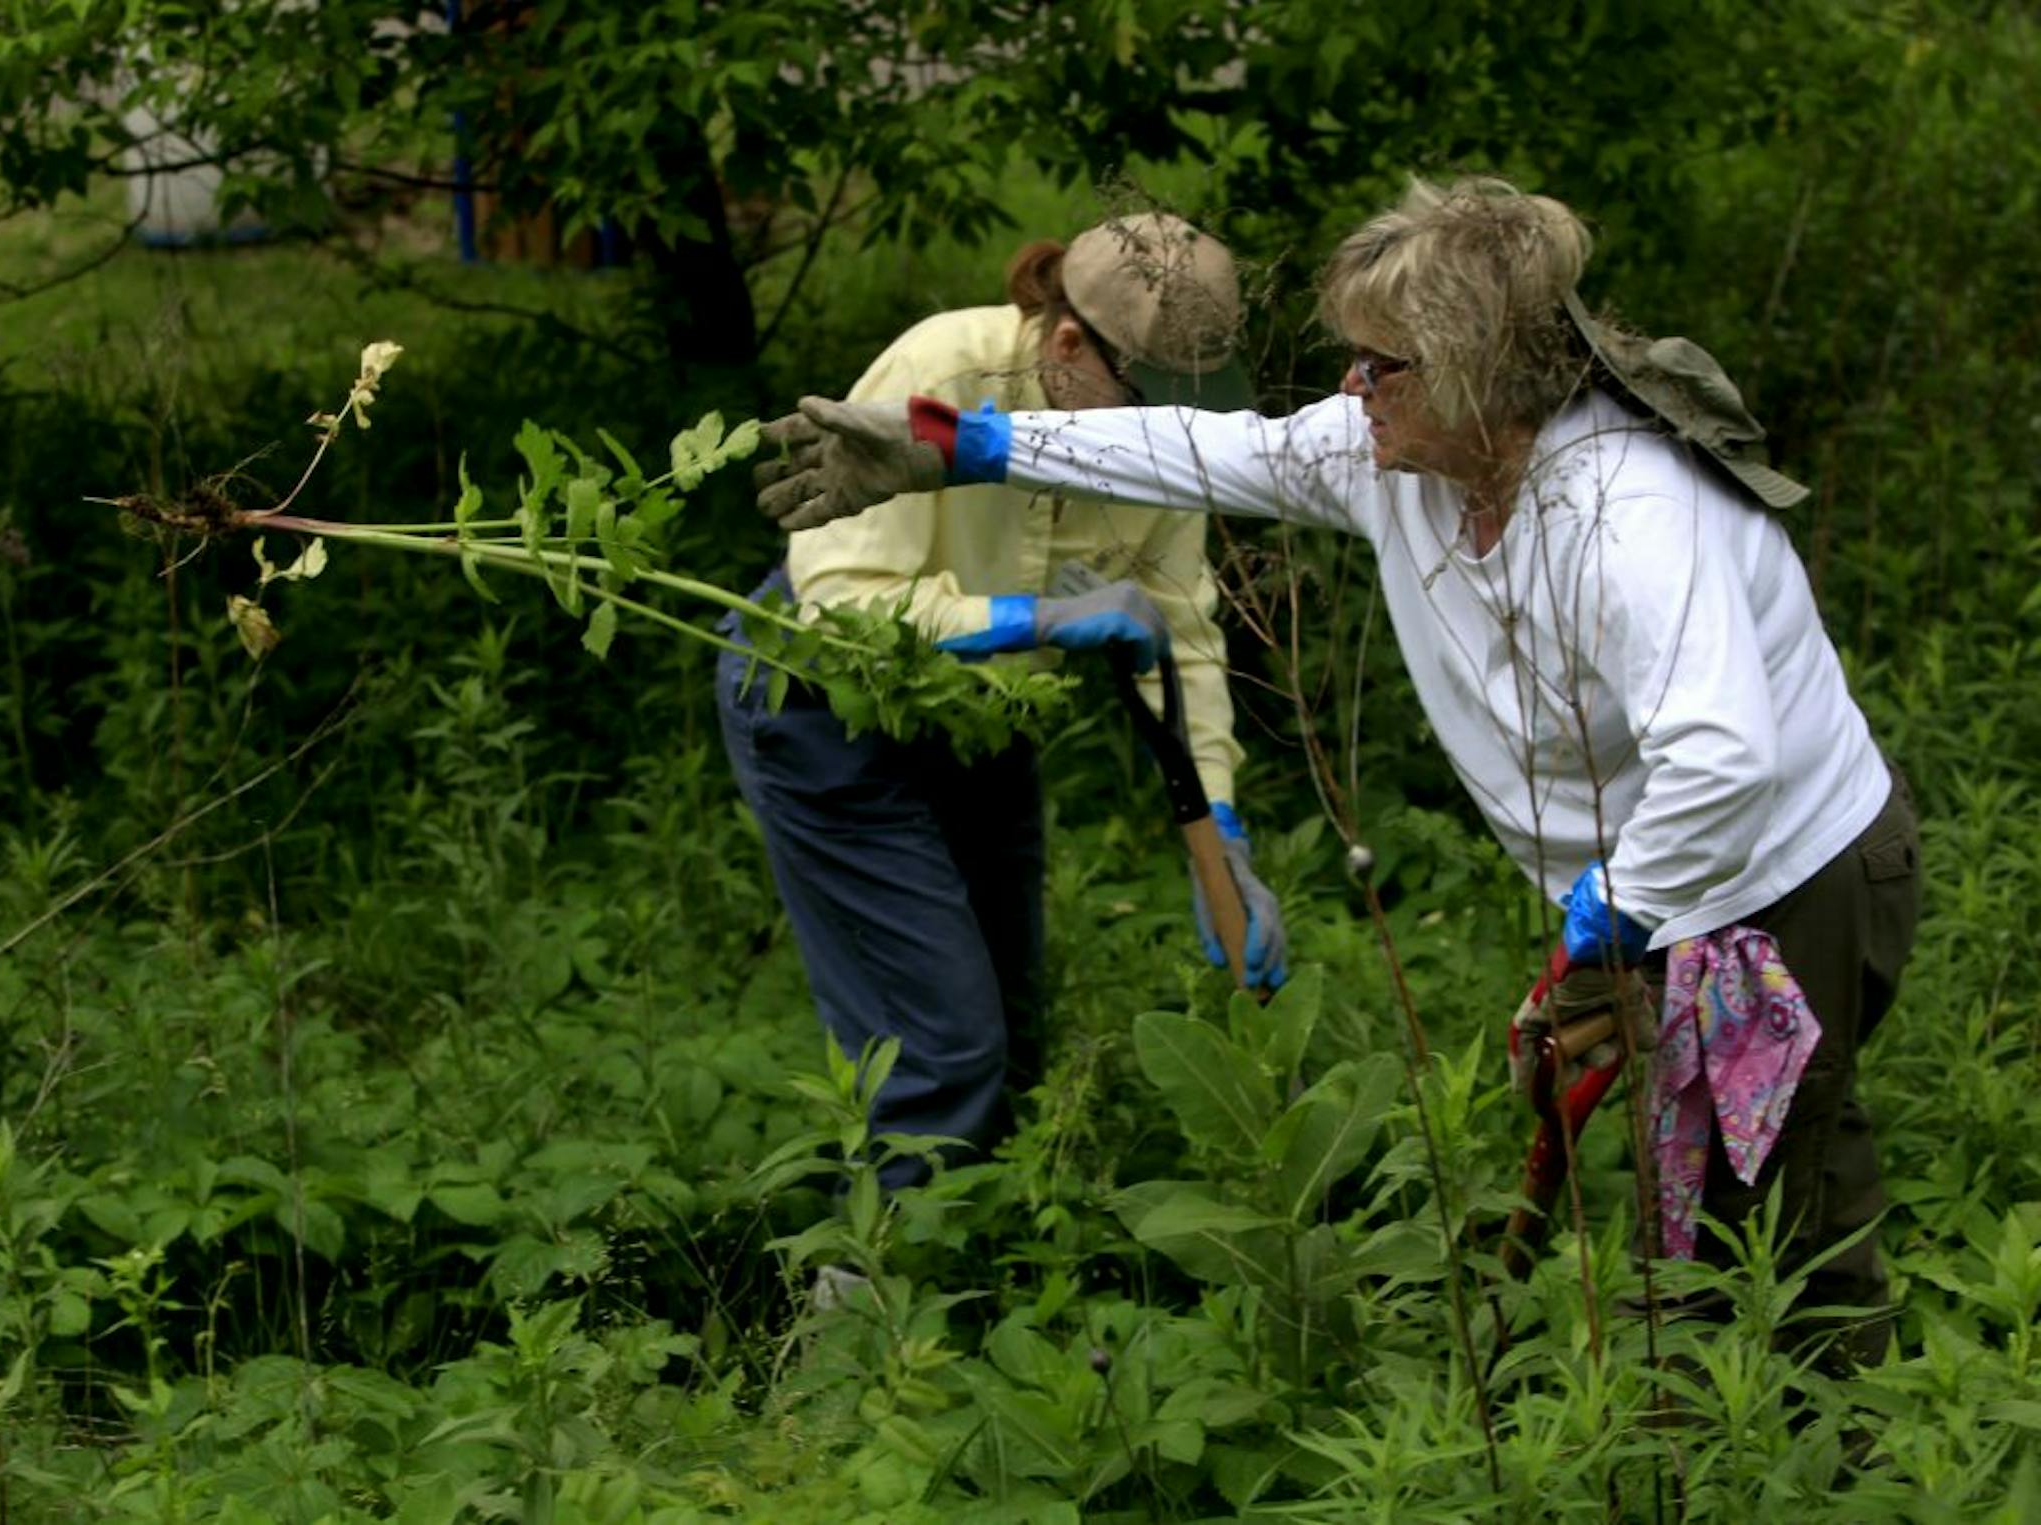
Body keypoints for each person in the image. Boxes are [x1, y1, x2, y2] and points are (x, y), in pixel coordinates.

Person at [754, 177, 1919, 1367]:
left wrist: (1601, 934)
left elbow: (1723, 762)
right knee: (1727, 1195)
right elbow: (1204, 448)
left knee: (1769, 1218)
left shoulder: (1629, 510)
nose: (1351, 387)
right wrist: (951, 444)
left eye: (1382, 363)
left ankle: (1831, 1456)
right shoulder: (1390, 455)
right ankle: (1733, 1425)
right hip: (1660, 896)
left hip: (1784, 881)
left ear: (1472, 369)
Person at [716, 212, 1290, 1192]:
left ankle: (995, 1287)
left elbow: (1184, 633)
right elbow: (841, 598)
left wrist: (1221, 833)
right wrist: (1035, 618)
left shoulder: (1156, 439)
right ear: (1069, 344)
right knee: (939, 1043)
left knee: (1013, 1034)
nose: (1167, 431)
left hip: (983, 716)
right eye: (1147, 399)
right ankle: (864, 1310)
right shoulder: (943, 377)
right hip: (825, 705)